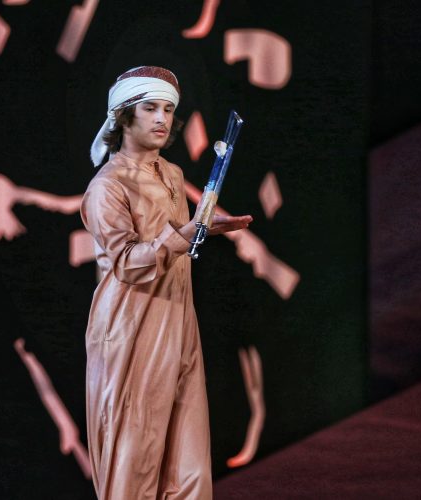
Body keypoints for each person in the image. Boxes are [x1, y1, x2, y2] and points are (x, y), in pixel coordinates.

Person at [81, 66, 252, 499]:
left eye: (168, 109)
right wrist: (184, 233)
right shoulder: (107, 186)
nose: (161, 118)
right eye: (150, 108)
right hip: (130, 325)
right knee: (134, 458)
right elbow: (126, 263)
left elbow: (176, 239)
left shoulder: (172, 173)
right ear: (124, 116)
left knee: (188, 462)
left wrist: (203, 229)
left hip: (178, 316)